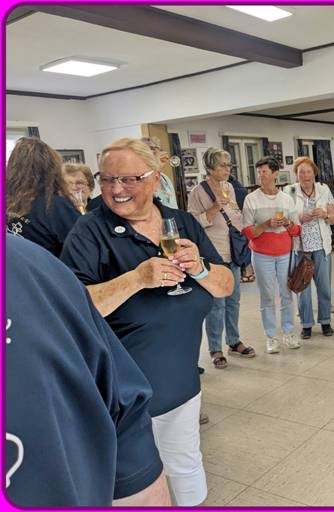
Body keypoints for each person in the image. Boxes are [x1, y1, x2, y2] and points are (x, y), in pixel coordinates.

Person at [61, 138, 233, 506]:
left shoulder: (181, 222)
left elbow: (225, 286)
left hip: (181, 382)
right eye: (107, 179)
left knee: (186, 464)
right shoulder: (89, 231)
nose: (116, 189)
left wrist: (200, 268)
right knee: (136, 486)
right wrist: (136, 279)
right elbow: (72, 307)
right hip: (123, 394)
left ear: (155, 178)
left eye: (129, 179)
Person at [6, 234, 171, 507]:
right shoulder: (81, 235)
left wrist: (201, 269)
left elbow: (125, 417)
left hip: (161, 385)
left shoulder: (28, 264)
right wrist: (137, 278)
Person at [188, 147, 256, 369]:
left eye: (229, 165)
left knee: (233, 300)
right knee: (217, 305)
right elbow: (193, 223)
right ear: (210, 168)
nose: (227, 170)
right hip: (213, 253)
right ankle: (215, 349)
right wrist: (215, 208)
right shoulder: (198, 192)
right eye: (222, 166)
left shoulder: (230, 188)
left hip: (233, 251)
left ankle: (233, 341)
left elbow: (235, 216)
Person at [242, 157, 302, 354]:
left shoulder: (286, 199)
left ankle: (288, 333)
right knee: (267, 296)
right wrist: (266, 224)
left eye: (264, 172)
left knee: (286, 294)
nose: (260, 175)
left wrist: (287, 224)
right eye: (259, 172)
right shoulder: (251, 199)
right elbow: (248, 232)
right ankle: (270, 337)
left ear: (275, 174)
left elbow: (296, 230)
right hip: (261, 255)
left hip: (285, 254)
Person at [284, 157, 334, 339]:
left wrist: (324, 214)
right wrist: (299, 217)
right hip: (300, 248)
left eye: (308, 172)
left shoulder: (324, 189)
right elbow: (284, 220)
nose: (305, 176)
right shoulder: (289, 191)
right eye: (301, 172)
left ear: (314, 173)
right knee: (302, 289)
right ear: (296, 175)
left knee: (324, 287)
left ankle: (326, 321)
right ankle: (306, 325)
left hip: (321, 246)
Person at [5, 137, 80, 256]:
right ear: (52, 168)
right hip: (50, 266)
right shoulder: (55, 206)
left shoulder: (9, 201)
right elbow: (83, 246)